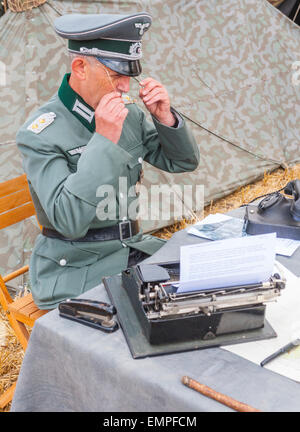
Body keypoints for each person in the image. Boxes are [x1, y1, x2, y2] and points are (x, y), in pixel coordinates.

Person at [16, 12, 200, 310]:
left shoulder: (130, 115)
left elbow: (183, 162)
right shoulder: (40, 133)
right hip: (77, 266)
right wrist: (103, 139)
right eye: (116, 76)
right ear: (80, 67)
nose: (125, 87)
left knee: (204, 283)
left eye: (129, 76)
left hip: (130, 248)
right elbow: (69, 221)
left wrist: (165, 117)